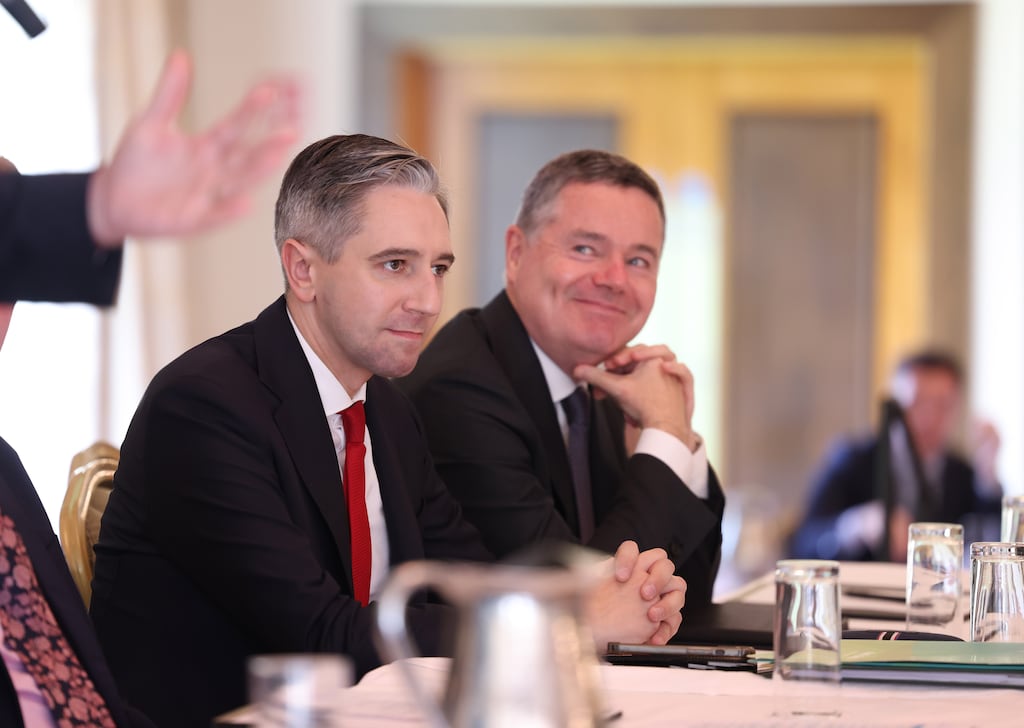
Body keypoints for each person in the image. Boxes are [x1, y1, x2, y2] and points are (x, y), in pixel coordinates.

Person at [90, 134, 687, 727]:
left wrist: (629, 592)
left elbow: (475, 581)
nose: (428, 301)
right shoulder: (203, 405)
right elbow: (319, 632)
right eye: (395, 265)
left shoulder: (388, 410)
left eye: (439, 268)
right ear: (303, 269)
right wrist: (572, 621)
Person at [0, 50, 300, 728]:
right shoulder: (207, 399)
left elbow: (85, 693)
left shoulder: (4, 468)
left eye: (10, 287)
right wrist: (98, 204)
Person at [398, 149, 726, 607]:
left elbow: (689, 600)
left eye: (638, 260)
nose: (614, 279)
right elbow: (573, 606)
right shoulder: (459, 392)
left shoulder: (602, 388)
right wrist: (665, 436)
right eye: (585, 249)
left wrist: (677, 440)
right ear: (516, 253)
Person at [790, 349, 1003, 562]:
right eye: (917, 402)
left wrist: (987, 475)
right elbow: (803, 542)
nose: (929, 418)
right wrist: (857, 526)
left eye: (942, 405)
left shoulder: (961, 473)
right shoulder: (853, 460)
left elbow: (992, 540)